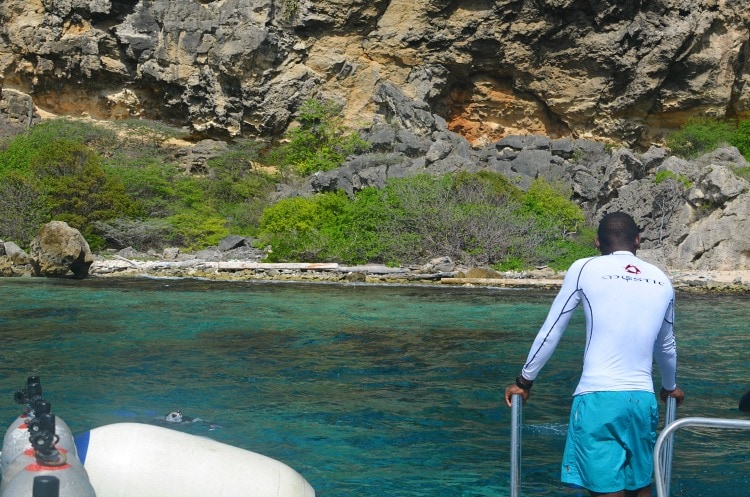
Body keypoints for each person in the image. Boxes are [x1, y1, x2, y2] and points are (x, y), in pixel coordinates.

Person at [504, 212, 685, 497]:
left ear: (597, 242)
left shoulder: (584, 267)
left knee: (604, 488)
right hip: (642, 399)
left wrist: (524, 381)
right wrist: (670, 387)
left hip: (598, 396)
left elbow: (552, 330)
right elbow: (667, 345)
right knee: (640, 485)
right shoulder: (661, 279)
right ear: (638, 240)